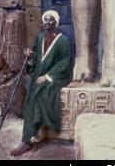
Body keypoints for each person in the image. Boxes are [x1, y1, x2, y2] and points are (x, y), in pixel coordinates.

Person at [10, 10, 71, 156]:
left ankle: (33, 134)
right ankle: (27, 139)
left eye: (51, 20)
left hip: (54, 78)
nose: (48, 23)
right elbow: (36, 58)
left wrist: (48, 76)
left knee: (41, 95)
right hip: (38, 78)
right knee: (30, 100)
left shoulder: (63, 41)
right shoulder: (40, 38)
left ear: (56, 23)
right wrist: (30, 57)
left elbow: (65, 62)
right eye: (46, 20)